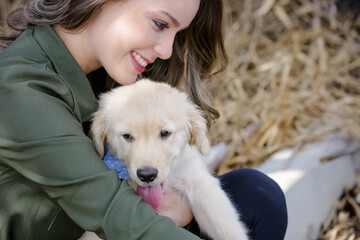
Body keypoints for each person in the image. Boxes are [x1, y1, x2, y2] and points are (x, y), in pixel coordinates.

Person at [0, 0, 288, 239]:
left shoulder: (112, 72)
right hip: (104, 225)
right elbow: (115, 212)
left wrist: (181, 204)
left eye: (178, 33)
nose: (166, 50)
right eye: (160, 24)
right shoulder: (18, 89)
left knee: (254, 196)